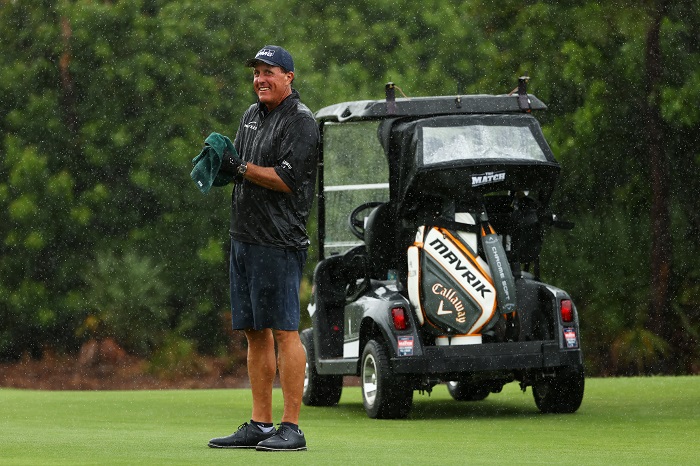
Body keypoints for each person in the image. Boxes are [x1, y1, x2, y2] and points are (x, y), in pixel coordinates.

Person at [208, 45, 319, 452]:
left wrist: (238, 168)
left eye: (269, 71)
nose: (260, 79)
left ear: (289, 76)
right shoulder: (251, 116)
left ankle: (292, 427)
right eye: (256, 72)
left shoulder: (302, 122)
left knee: (285, 332)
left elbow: (286, 180)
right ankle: (260, 423)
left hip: (279, 241)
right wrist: (222, 165)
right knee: (254, 334)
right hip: (244, 238)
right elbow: (241, 170)